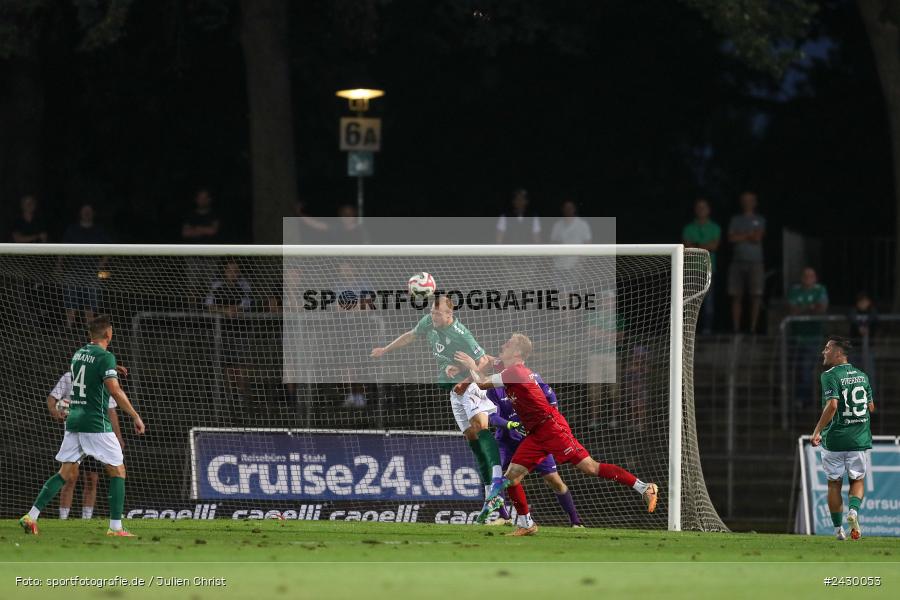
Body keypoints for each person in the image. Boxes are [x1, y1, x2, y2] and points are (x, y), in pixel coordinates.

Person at [456, 333, 658, 536]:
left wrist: (472, 366)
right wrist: (478, 359)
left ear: (517, 352)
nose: (503, 344)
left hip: (552, 428)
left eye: (507, 344)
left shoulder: (516, 372)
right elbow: (491, 360)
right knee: (512, 477)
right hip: (535, 434)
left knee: (590, 467)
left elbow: (482, 383)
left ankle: (644, 487)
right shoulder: (510, 369)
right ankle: (527, 524)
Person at [371, 296, 504, 518]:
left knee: (481, 428)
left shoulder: (461, 334)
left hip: (469, 388)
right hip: (454, 392)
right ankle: (490, 497)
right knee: (472, 441)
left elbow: (483, 361)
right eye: (432, 312)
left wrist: (464, 377)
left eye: (437, 313)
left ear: (449, 315)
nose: (433, 316)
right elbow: (410, 336)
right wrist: (385, 349)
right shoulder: (428, 322)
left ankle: (497, 488)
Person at [20, 316, 145, 536]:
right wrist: (135, 415)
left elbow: (90, 369)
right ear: (108, 334)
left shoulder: (79, 354)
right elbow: (115, 391)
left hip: (74, 421)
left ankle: (31, 516)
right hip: (95, 423)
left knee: (64, 472)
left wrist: (114, 367)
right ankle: (115, 528)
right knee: (118, 471)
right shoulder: (105, 357)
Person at [486, 376, 584, 527]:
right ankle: (505, 518)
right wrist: (511, 424)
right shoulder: (493, 389)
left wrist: (551, 417)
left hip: (534, 439)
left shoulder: (529, 379)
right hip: (507, 441)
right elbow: (492, 418)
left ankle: (575, 521)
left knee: (553, 479)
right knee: (500, 477)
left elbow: (550, 396)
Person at [811, 336, 874, 541]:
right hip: (857, 439)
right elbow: (871, 407)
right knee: (857, 480)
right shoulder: (862, 376)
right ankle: (853, 512)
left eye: (828, 348)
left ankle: (838, 530)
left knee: (833, 484)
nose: (824, 351)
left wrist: (817, 431)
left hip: (835, 440)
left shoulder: (829, 375)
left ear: (839, 353)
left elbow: (832, 406)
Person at [48, 365, 126, 520]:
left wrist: (118, 437)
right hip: (75, 433)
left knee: (92, 478)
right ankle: (63, 518)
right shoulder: (70, 377)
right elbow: (52, 399)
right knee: (70, 476)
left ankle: (86, 519)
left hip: (97, 434)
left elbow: (111, 410)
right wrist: (55, 412)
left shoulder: (104, 380)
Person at [61, 204, 110, 328]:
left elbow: (108, 251)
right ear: (80, 213)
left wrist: (99, 266)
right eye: (84, 211)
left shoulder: (99, 231)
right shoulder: (72, 229)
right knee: (70, 300)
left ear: (93, 213)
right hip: (73, 271)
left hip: (92, 272)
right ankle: (68, 329)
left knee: (91, 301)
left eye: (89, 211)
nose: (87, 213)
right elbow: (62, 250)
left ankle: (89, 329)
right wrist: (59, 266)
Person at [787, 267, 829, 406]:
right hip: (796, 337)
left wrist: (803, 308)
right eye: (805, 275)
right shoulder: (795, 290)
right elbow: (792, 310)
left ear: (815, 278)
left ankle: (804, 400)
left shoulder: (820, 290)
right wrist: (810, 307)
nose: (808, 278)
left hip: (813, 337)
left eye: (811, 276)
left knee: (806, 369)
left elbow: (821, 308)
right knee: (796, 369)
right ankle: (800, 399)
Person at [727, 191, 765, 333]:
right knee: (736, 295)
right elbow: (731, 238)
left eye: (750, 200)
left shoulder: (759, 219)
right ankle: (736, 328)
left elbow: (757, 237)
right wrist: (749, 234)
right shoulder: (736, 219)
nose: (747, 203)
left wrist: (741, 236)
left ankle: (753, 328)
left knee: (755, 295)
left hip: (756, 262)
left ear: (754, 202)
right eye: (745, 200)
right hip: (737, 262)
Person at [682, 198, 720, 334]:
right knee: (690, 302)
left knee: (708, 304)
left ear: (709, 210)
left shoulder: (715, 227)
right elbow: (688, 247)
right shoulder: (688, 228)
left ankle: (707, 330)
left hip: (708, 270)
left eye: (704, 207)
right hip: (691, 271)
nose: (701, 210)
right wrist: (705, 246)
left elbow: (714, 246)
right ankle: (689, 331)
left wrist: (696, 245)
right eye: (698, 207)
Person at [549, 200, 592, 289]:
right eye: (566, 208)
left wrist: (581, 264)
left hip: (575, 265)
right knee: (560, 292)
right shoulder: (557, 225)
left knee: (571, 292)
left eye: (570, 208)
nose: (568, 210)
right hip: (558, 266)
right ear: (563, 209)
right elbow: (552, 244)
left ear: (574, 209)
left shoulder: (582, 224)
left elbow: (588, 245)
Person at [848, 291, 878, 385]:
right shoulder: (853, 310)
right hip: (855, 347)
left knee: (869, 374)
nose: (863, 304)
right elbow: (851, 316)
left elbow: (874, 318)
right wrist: (859, 327)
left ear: (869, 302)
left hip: (868, 348)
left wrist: (866, 326)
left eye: (865, 301)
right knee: (853, 375)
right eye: (861, 301)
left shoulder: (872, 311)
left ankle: (870, 397)